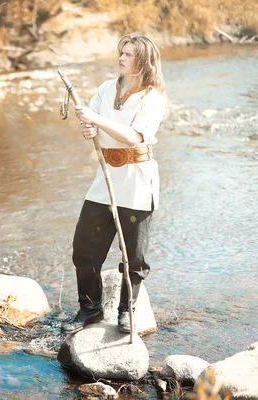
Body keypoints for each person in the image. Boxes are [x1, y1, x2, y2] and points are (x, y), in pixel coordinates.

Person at [61, 34, 167, 334]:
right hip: (105, 179)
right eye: (122, 52)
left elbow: (134, 136)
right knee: (84, 249)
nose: (121, 57)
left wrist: (97, 119)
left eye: (129, 54)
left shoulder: (153, 99)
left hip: (137, 181)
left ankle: (126, 309)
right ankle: (90, 308)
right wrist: (88, 126)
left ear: (144, 61)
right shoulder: (107, 89)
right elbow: (92, 126)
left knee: (134, 256)